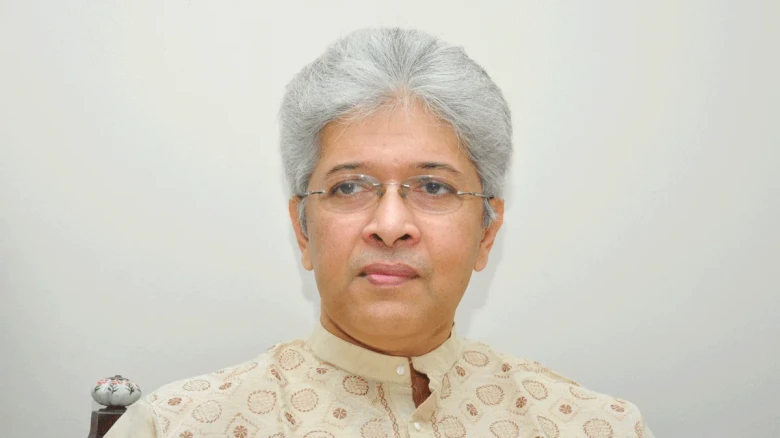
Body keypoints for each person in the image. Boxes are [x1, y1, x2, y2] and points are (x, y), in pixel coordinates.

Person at [107, 28, 655, 438]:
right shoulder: (177, 426)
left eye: (434, 187)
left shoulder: (596, 425)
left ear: (487, 234)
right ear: (303, 230)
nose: (390, 227)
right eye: (349, 187)